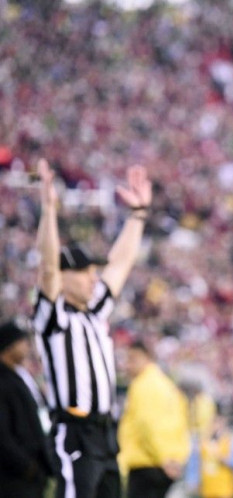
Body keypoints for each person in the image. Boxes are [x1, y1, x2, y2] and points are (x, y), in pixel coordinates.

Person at [31, 158, 152, 498]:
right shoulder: (55, 318)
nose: (93, 278)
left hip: (105, 433)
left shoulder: (94, 311)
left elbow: (121, 264)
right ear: (66, 277)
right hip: (75, 429)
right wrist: (49, 210)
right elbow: (47, 269)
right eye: (84, 272)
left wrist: (138, 214)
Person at [117, 340, 191, 498]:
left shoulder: (143, 385)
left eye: (133, 359)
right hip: (167, 462)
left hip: (149, 463)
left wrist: (164, 459)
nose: (128, 365)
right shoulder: (167, 384)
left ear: (147, 357)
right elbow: (182, 422)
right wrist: (178, 459)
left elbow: (147, 425)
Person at [0, 319, 55, 498]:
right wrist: (28, 467)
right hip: (13, 479)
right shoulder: (4, 381)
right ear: (8, 346)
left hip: (27, 477)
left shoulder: (17, 376)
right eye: (21, 341)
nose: (26, 346)